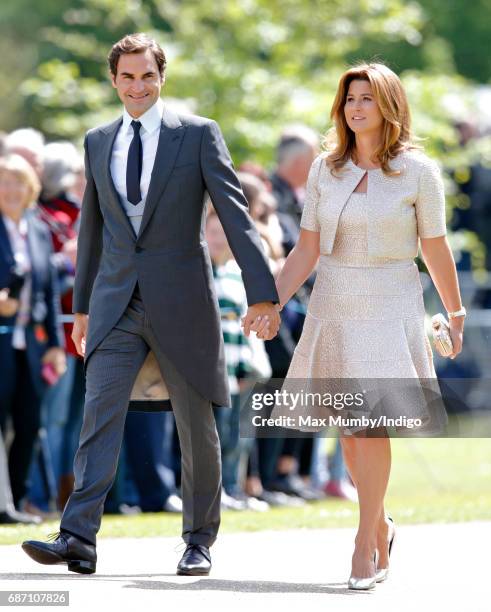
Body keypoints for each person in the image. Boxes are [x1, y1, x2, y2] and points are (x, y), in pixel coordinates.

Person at [21, 32, 280, 576]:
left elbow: (236, 215)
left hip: (184, 300)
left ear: (161, 78)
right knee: (99, 414)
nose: (137, 87)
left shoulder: (198, 136)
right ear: (114, 81)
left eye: (147, 76)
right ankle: (78, 537)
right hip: (115, 303)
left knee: (196, 424)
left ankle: (198, 540)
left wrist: (263, 292)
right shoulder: (97, 140)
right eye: (127, 77)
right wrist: (84, 307)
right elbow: (92, 230)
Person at [272, 62, 465, 590]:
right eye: (350, 99)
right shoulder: (322, 169)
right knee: (349, 432)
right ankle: (381, 524)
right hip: (334, 301)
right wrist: (271, 301)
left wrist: (455, 310)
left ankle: (364, 542)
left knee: (368, 423)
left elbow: (435, 245)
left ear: (389, 105)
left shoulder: (419, 172)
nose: (356, 108)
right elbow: (306, 247)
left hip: (391, 300)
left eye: (367, 98)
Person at [0, 154, 66, 511]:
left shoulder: (38, 229)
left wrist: (57, 345)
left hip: (32, 345)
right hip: (1, 338)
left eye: (17, 182)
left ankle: (16, 500)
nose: (10, 190)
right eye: (4, 182)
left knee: (28, 424)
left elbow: (50, 293)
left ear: (30, 188)